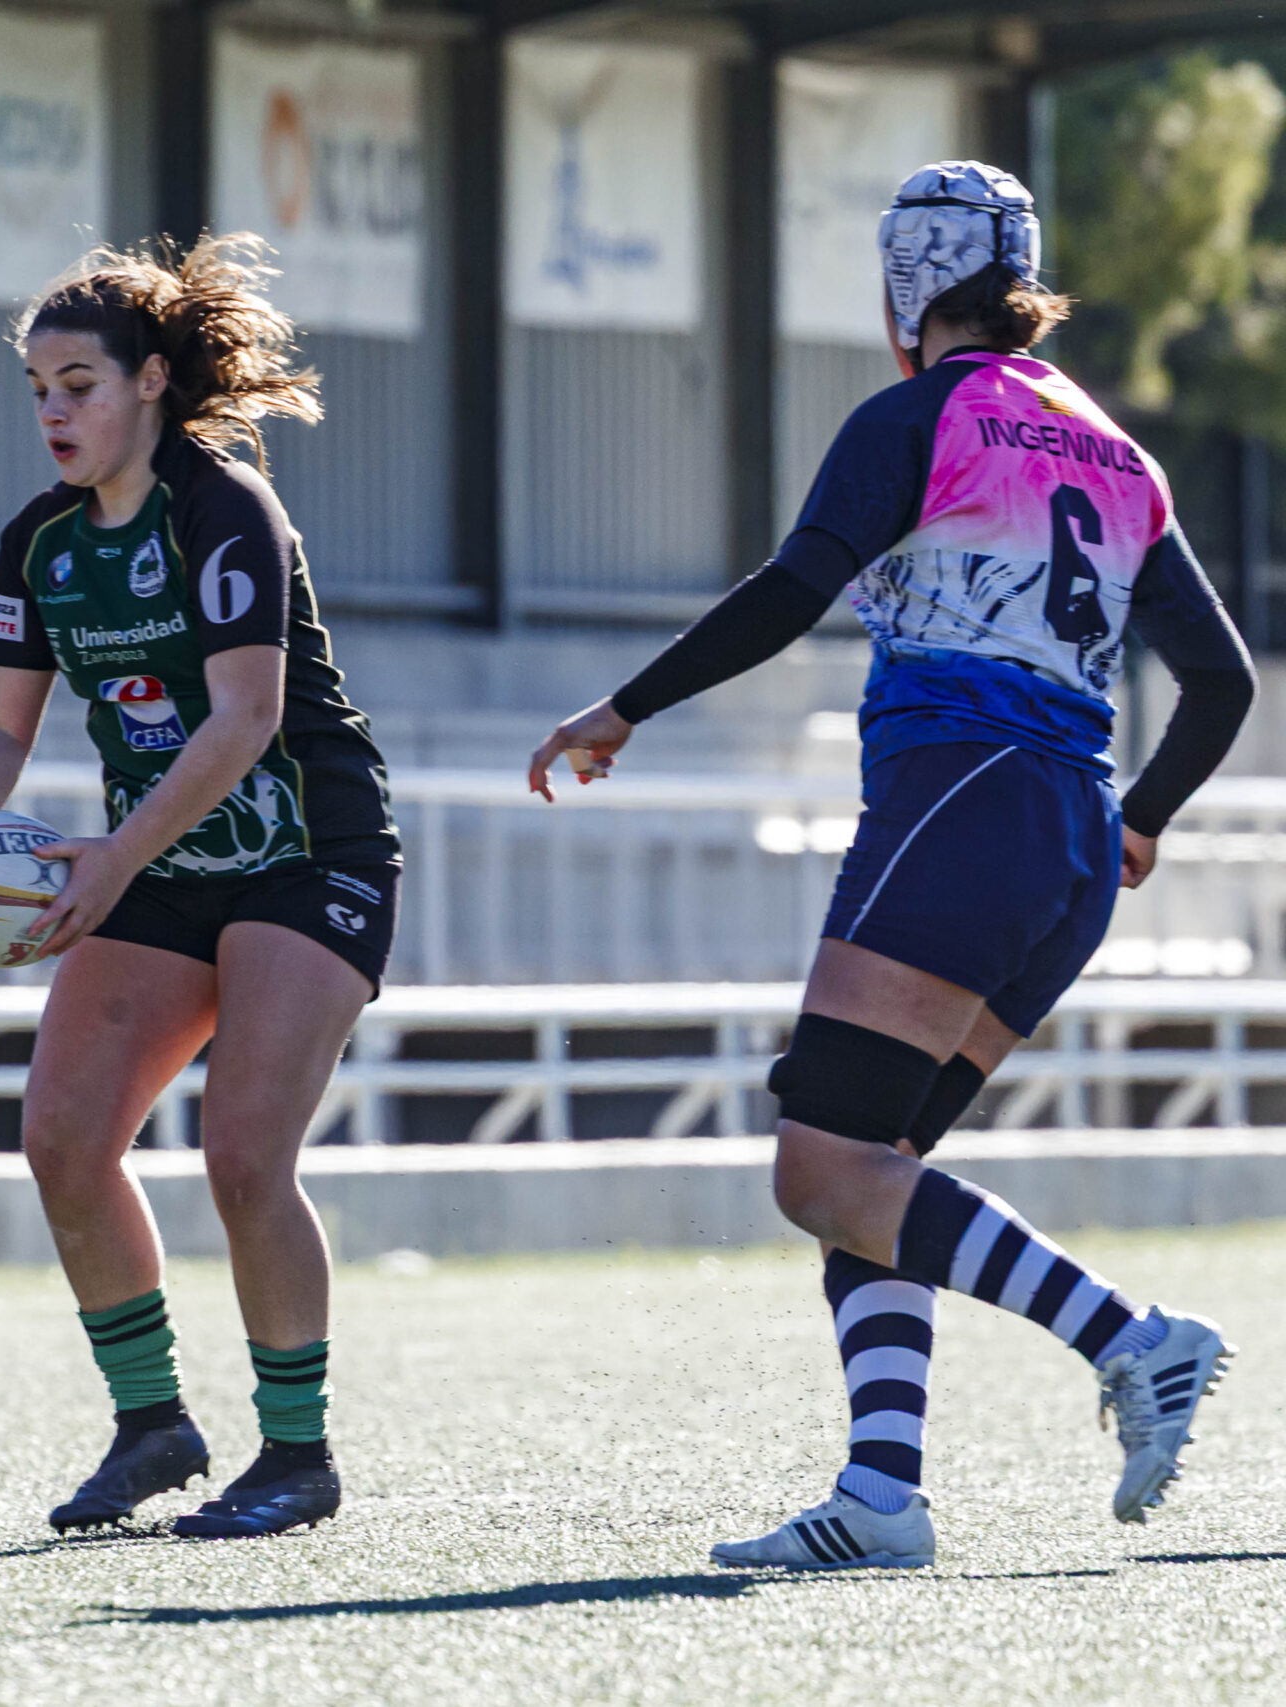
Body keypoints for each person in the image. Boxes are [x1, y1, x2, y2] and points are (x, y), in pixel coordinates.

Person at [527, 162, 1257, 1570]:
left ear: (903, 287)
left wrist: (624, 706)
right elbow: (1221, 682)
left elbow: (795, 587)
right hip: (1070, 830)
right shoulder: (1123, 452)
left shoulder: (917, 416)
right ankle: (881, 1489)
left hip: (961, 797)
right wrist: (1145, 817)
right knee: (877, 1159)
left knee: (817, 1166)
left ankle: (1134, 1339)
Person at [0, 236, 402, 1539]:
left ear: (152, 381)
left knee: (245, 1150)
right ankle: (153, 1423)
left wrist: (111, 859)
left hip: (310, 853)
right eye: (37, 388)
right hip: (159, 858)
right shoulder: (38, 542)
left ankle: (296, 1453)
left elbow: (245, 720)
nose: (53, 412)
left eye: (79, 383)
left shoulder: (223, 508)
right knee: (62, 1138)